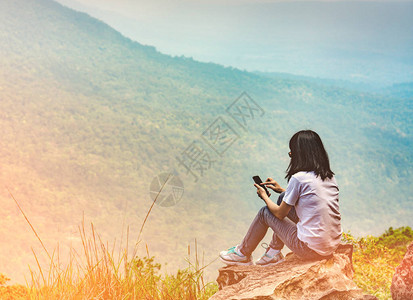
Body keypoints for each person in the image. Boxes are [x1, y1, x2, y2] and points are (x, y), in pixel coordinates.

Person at [220, 130, 342, 266]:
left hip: (309, 249)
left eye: (292, 152)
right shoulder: (329, 177)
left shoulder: (299, 178)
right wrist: (282, 190)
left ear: (300, 154)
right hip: (330, 246)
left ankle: (242, 253)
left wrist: (264, 196)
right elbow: (312, 200)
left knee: (264, 212)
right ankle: (273, 253)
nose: (291, 156)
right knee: (283, 196)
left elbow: (279, 214)